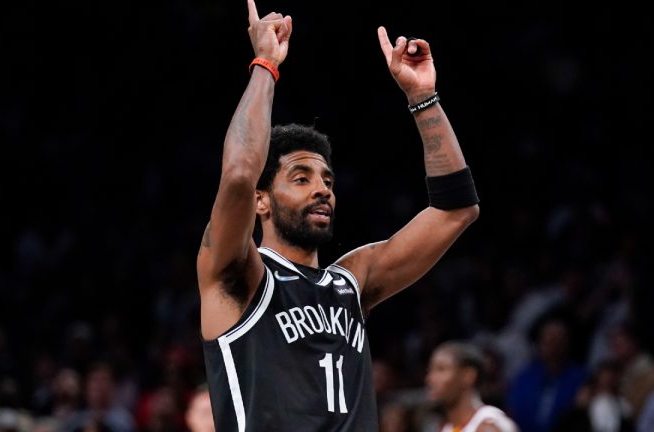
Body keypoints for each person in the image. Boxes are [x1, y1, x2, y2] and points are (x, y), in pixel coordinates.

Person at [196, 0, 480, 430]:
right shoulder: (239, 274)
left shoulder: (351, 281)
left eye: (327, 180)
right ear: (261, 201)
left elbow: (456, 209)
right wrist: (265, 65)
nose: (322, 190)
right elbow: (238, 174)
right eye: (301, 177)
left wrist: (423, 99)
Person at [426, 341, 517, 432]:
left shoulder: (488, 427)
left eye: (441, 370)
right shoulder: (445, 427)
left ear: (468, 375)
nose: (430, 379)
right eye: (430, 370)